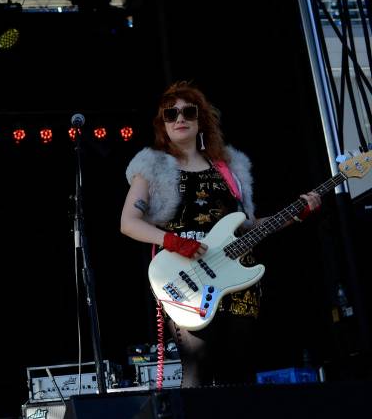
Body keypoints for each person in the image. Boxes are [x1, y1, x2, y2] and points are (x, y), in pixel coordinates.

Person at [120, 81, 320, 387]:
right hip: (185, 275)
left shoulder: (229, 167)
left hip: (236, 277)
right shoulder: (152, 167)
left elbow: (247, 225)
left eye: (188, 111)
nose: (180, 119)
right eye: (170, 114)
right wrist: (173, 241)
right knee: (196, 369)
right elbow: (129, 222)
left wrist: (295, 215)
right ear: (162, 124)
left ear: (201, 119)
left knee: (239, 372)